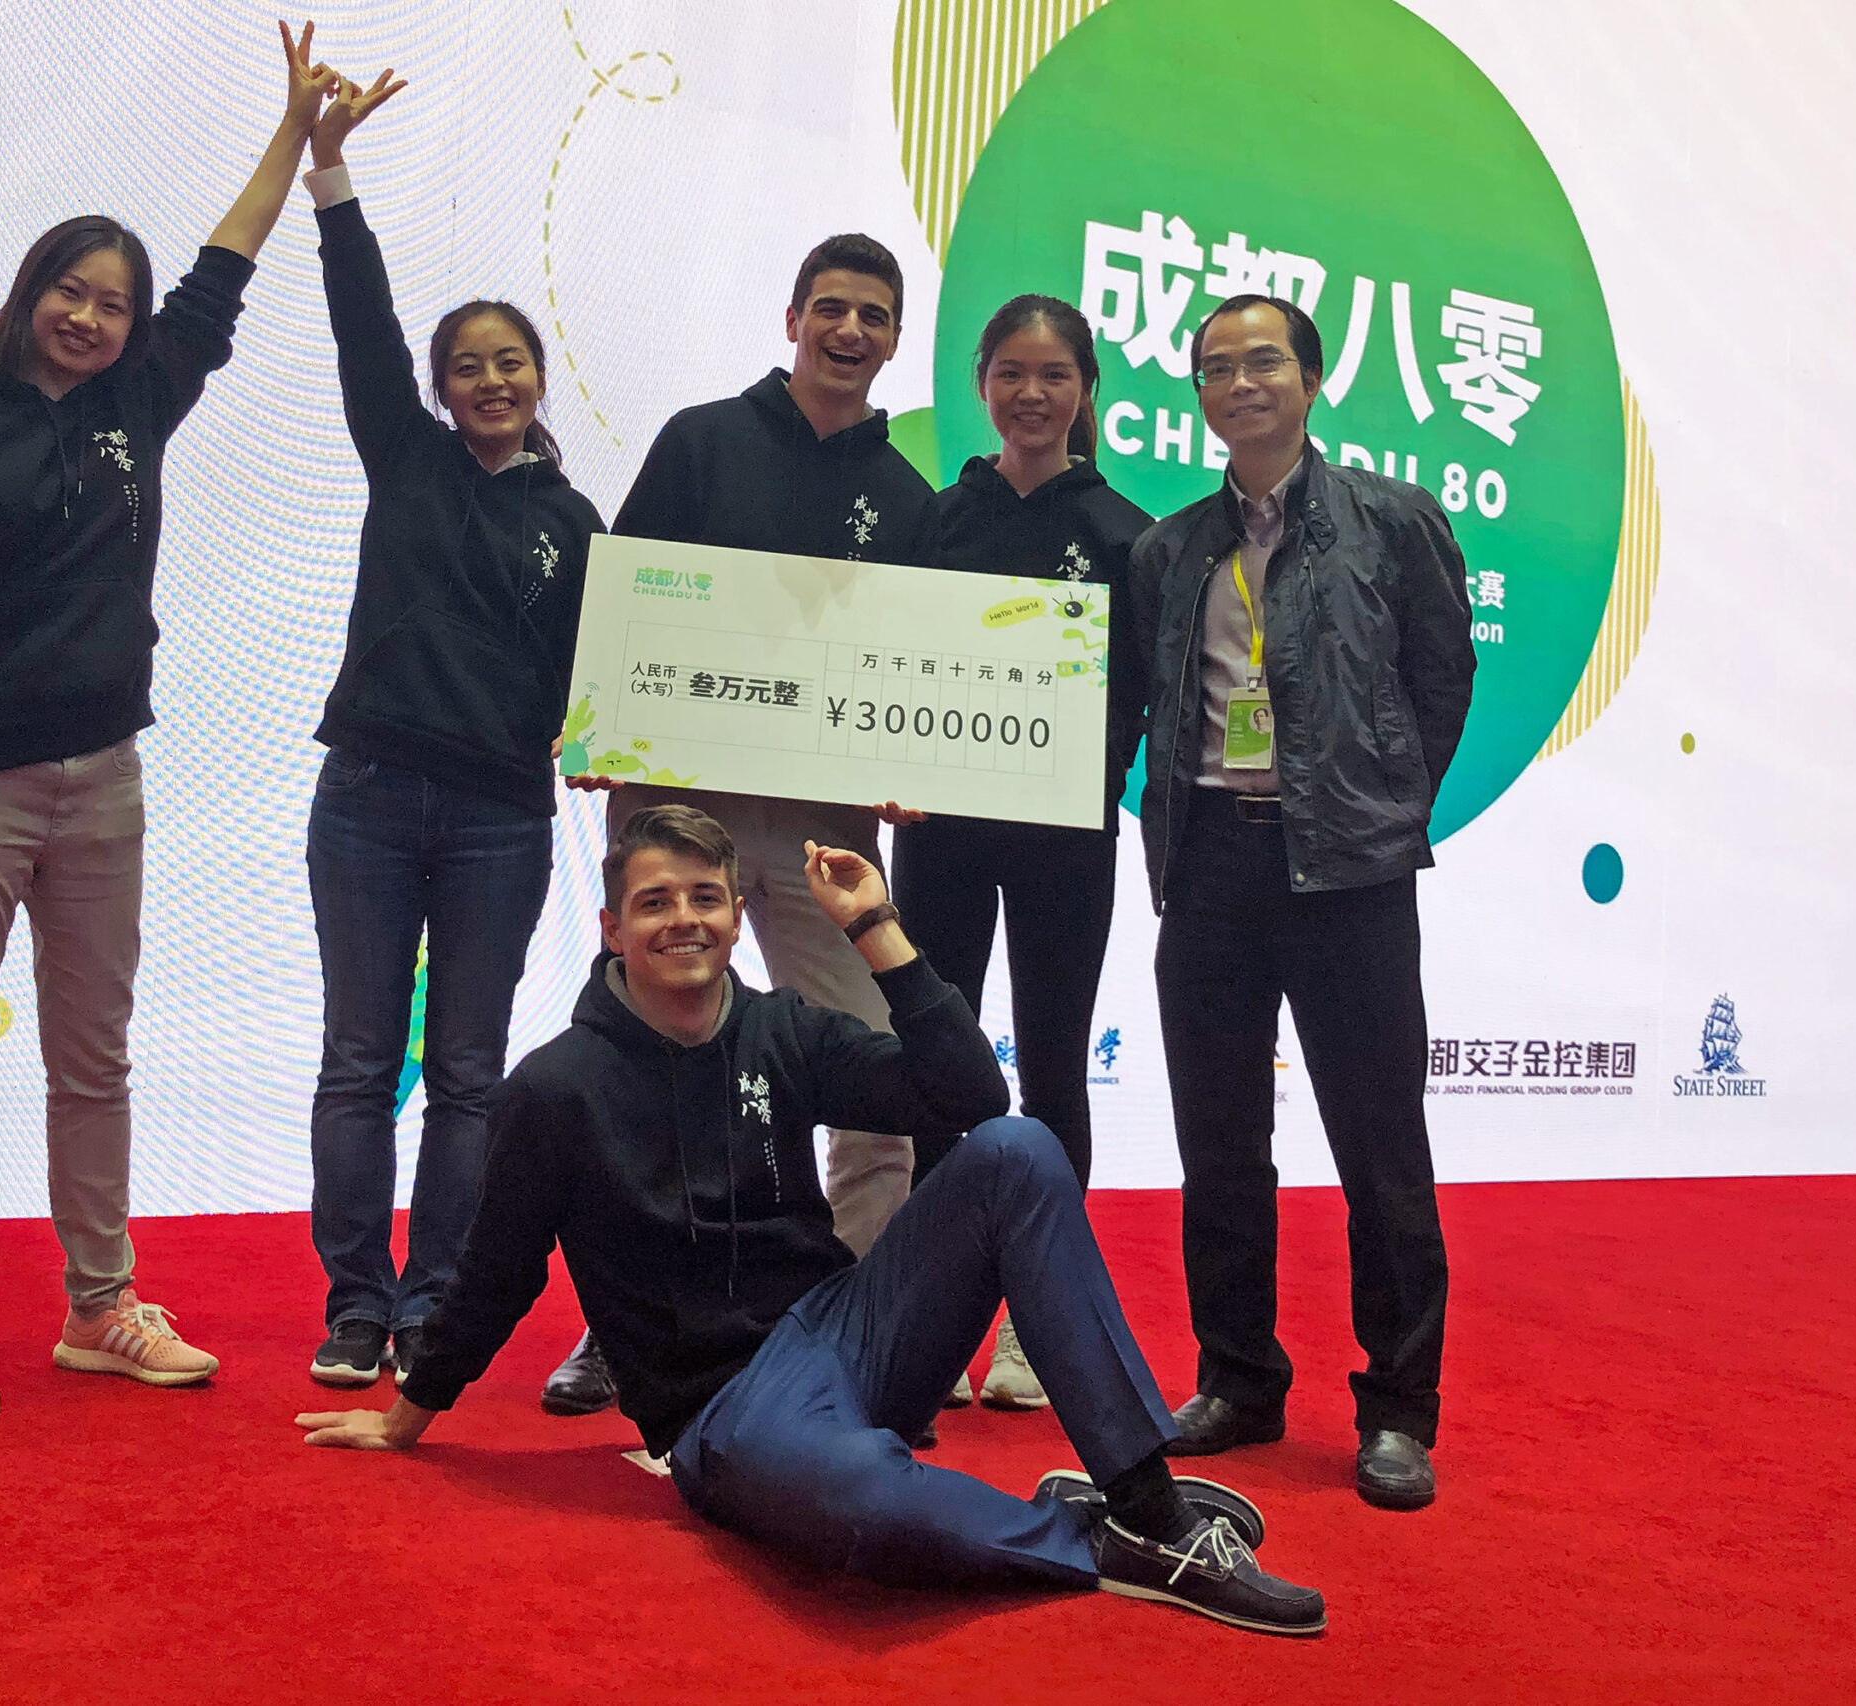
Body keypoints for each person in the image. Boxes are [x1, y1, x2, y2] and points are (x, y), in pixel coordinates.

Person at [296, 805, 1325, 1637]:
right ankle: (1085, 1534)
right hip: (725, 1412)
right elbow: (497, 1268)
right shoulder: (553, 1089)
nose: (683, 919)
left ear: (739, 914)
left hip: (848, 1329)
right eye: (653, 901)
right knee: (865, 1505)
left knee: (1017, 1151)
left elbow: (968, 1098)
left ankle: (1149, 1505)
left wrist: (875, 927)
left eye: (705, 896)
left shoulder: (779, 1029)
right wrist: (411, 1410)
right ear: (611, 926)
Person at [0, 25, 340, 1422]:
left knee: (96, 1053)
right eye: (70, 290)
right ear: (30, 294)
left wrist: (298, 139)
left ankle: (96, 1302)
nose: (90, 316)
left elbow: (225, 267)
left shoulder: (142, 395)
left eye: (113, 303)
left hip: (105, 780)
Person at [540, 231, 937, 1421]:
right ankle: (628, 1325)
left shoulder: (905, 498)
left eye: (872, 313)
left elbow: (918, 663)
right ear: (790, 316)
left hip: (826, 830)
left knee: (878, 1067)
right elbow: (625, 602)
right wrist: (598, 732)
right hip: (684, 815)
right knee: (642, 1067)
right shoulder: (700, 440)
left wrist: (909, 760)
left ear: (894, 337)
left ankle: (863, 1338)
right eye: (830, 307)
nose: (849, 331)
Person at [1123, 292, 1474, 1510]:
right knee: (1218, 1141)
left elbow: (1441, 675)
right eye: (1214, 367)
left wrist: (1379, 802)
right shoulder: (1168, 548)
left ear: (1311, 378)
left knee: (1381, 1147)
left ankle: (1397, 1408)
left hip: (1349, 874)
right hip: (1212, 862)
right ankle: (1236, 1378)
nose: (1238, 382)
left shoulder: (1393, 520)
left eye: (1261, 359)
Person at [297, 65, 605, 1391]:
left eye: (510, 361)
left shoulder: (581, 527)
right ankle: (355, 1307)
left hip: (500, 820)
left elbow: (616, 680)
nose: (490, 379)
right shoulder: (406, 456)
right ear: (437, 387)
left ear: (539, 379)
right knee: (361, 1058)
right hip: (368, 793)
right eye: (466, 365)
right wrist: (329, 175)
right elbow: (360, 318)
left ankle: (435, 1303)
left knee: (470, 1070)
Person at [884, 294, 1152, 1414]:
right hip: (940, 830)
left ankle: (1033, 1328)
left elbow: (1132, 699)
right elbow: (888, 664)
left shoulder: (1130, 534)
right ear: (981, 384)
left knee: (1050, 1070)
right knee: (940, 1064)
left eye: (1053, 375)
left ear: (1086, 388)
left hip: (1062, 839)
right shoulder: (937, 520)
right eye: (1009, 373)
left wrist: (1072, 780)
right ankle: (935, 1319)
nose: (1031, 395)